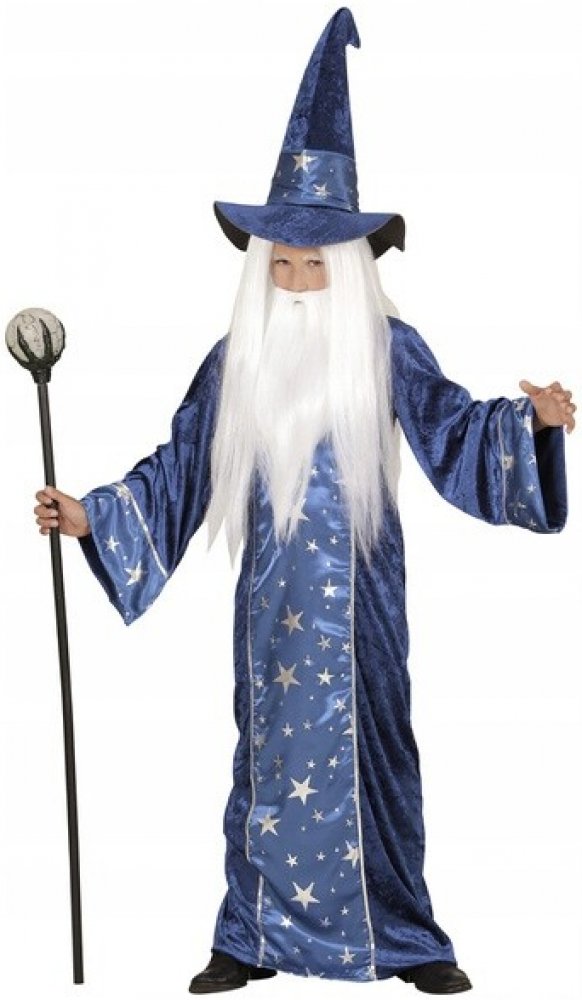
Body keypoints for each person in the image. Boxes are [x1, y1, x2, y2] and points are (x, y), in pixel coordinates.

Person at [33, 9, 575, 996]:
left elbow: (454, 430)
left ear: (350, 265)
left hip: (362, 607)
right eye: (279, 262)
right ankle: (250, 933)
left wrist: (528, 425)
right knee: (267, 759)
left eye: (313, 264)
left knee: (377, 756)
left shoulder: (387, 350)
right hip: (270, 613)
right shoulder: (236, 361)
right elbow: (181, 466)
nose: (293, 281)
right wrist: (93, 516)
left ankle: (403, 935)